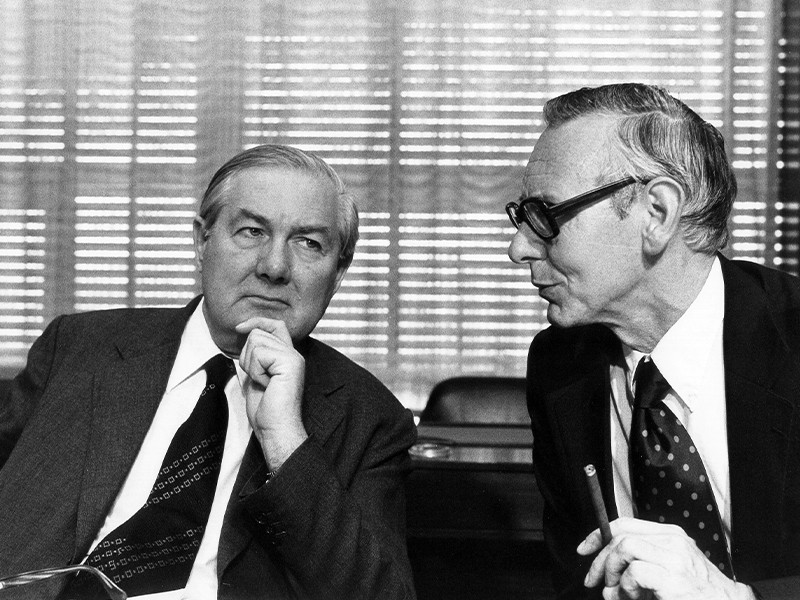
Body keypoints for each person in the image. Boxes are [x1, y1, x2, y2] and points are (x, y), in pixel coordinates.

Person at [0, 144, 418, 600]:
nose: (274, 267)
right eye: (252, 231)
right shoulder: (81, 348)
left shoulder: (369, 418)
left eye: (308, 243)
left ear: (338, 272)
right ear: (202, 241)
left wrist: (285, 442)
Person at [506, 83, 800, 600]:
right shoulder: (559, 365)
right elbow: (578, 576)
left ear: (657, 214)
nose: (518, 248)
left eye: (546, 215)